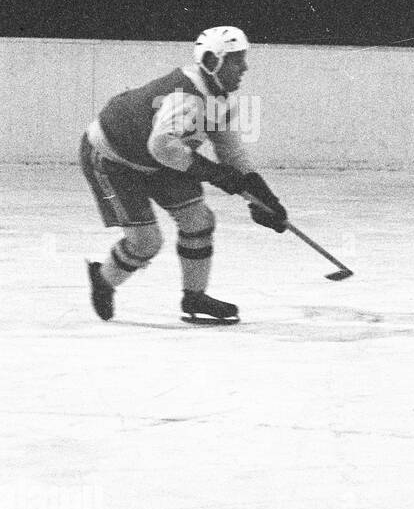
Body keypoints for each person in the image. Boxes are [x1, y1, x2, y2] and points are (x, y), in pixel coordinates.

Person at [79, 26, 287, 324]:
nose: (244, 67)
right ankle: (103, 278)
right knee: (146, 242)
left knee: (199, 220)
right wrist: (217, 176)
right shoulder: (185, 97)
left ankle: (194, 297)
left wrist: (264, 198)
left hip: (161, 156)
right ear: (212, 61)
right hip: (113, 159)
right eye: (237, 60)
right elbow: (162, 147)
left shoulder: (220, 98)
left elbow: (231, 152)